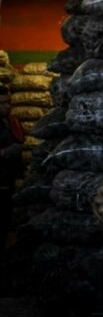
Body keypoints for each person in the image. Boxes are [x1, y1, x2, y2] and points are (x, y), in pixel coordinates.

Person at [0, 99, 25, 255]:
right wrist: (6, 152)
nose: (8, 106)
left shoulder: (10, 121)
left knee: (7, 214)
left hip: (9, 176)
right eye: (3, 103)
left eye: (9, 102)